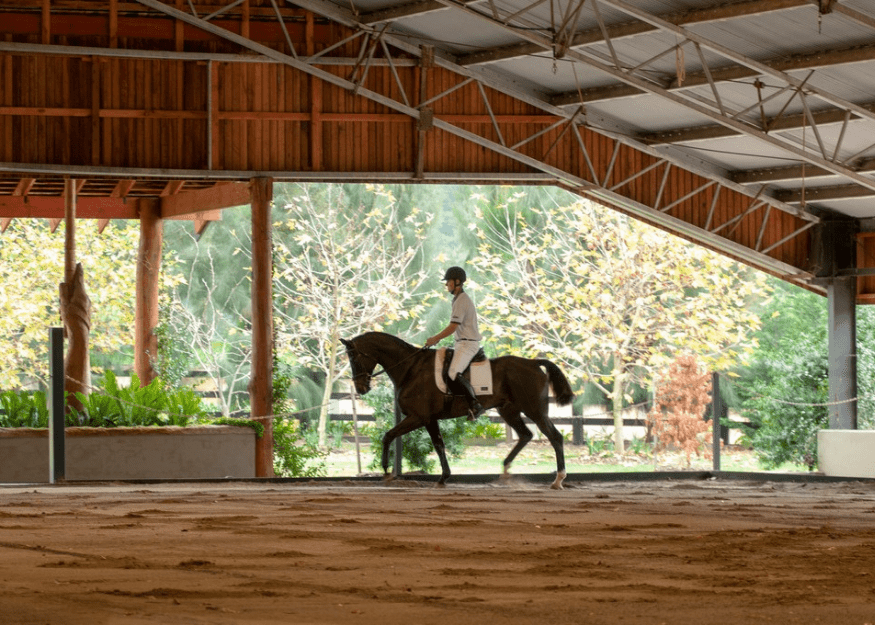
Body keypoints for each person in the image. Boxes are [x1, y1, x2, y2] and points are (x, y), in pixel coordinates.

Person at [424, 266, 485, 420]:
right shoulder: (457, 299)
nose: (446, 285)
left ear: (457, 282)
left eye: (448, 281)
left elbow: (453, 326)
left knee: (453, 373)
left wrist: (435, 338)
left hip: (468, 344)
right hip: (461, 343)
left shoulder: (462, 300)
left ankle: (475, 405)